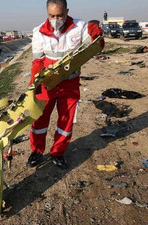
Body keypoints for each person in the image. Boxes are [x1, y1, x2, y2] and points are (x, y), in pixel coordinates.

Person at [27, 0, 104, 169]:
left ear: (67, 11)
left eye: (60, 15)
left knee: (66, 122)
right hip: (47, 85)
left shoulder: (80, 27)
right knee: (39, 119)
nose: (56, 19)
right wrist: (34, 84)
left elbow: (96, 45)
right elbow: (38, 61)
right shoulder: (39, 32)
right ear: (47, 13)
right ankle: (37, 151)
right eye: (52, 16)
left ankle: (58, 152)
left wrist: (95, 33)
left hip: (69, 85)